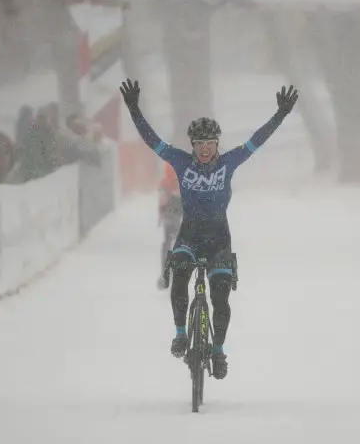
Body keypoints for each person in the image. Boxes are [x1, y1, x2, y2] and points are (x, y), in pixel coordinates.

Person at [119, 78, 299, 380]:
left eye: (210, 145)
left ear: (217, 146)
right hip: (189, 234)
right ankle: (180, 334)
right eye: (200, 145)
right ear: (193, 147)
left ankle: (217, 351)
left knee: (220, 299)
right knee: (178, 280)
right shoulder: (179, 161)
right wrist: (135, 110)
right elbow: (152, 141)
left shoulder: (229, 163)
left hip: (218, 238)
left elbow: (258, 139)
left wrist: (280, 115)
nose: (204, 150)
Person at [157, 162, 181, 288]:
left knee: (167, 243)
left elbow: (162, 201)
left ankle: (165, 275)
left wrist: (162, 213)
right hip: (179, 217)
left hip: (170, 216)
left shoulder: (164, 183)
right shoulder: (184, 180)